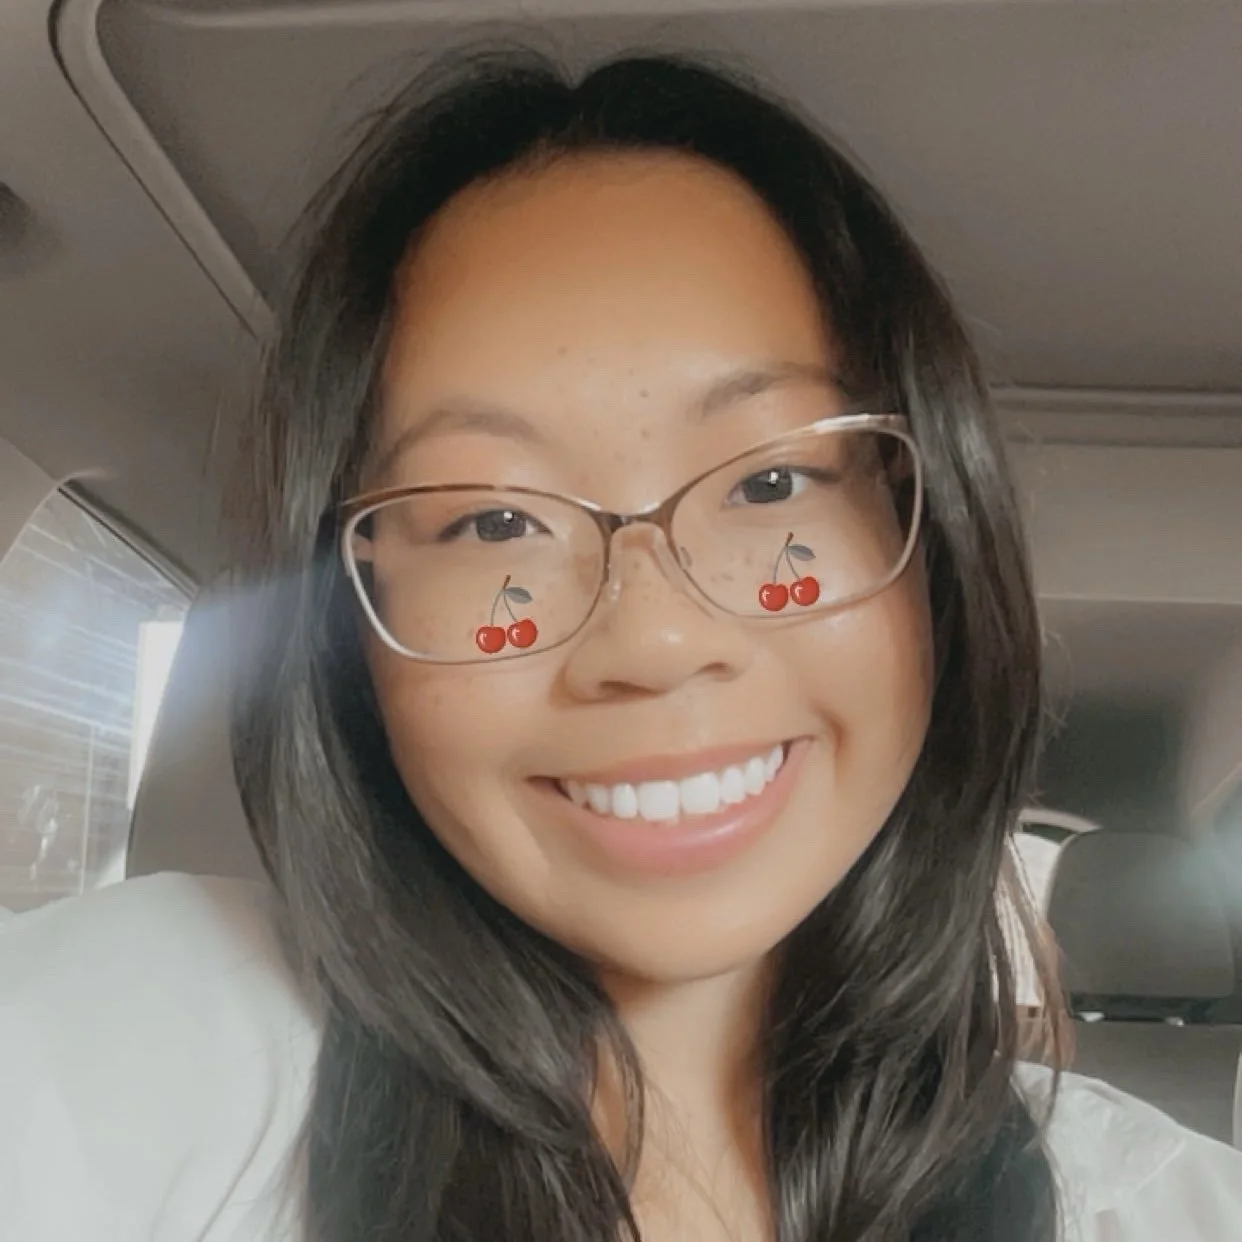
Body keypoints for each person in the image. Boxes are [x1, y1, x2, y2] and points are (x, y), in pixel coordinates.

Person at [1, 49, 1240, 1242]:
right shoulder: (125, 1051)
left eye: (770, 485)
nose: (649, 641)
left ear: (939, 556)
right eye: (491, 519)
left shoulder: (1173, 1210)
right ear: (343, 643)